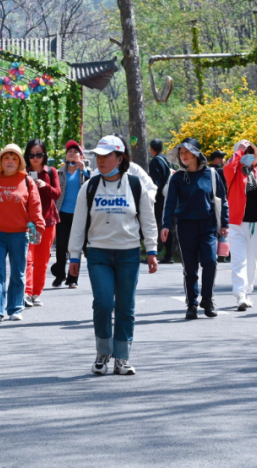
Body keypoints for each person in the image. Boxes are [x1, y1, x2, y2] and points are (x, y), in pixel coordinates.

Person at [68, 135, 159, 375]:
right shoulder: (90, 187)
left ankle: (122, 358)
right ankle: (102, 353)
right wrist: (74, 256)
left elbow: (148, 219)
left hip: (128, 254)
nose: (101, 160)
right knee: (104, 303)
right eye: (98, 155)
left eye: (107, 155)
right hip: (98, 253)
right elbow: (78, 224)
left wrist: (151, 250)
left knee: (126, 307)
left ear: (120, 158)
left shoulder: (135, 184)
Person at [0, 144, 46, 323]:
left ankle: (15, 308)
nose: (10, 161)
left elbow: (35, 207)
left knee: (18, 273)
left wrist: (38, 227)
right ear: (1, 161)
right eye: (7, 158)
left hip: (19, 234)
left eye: (14, 158)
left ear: (19, 163)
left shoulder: (27, 181)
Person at [162, 137, 229, 319]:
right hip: (185, 226)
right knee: (190, 268)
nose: (183, 156)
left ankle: (207, 299)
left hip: (207, 226)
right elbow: (170, 203)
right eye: (181, 153)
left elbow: (222, 200)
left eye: (186, 152)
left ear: (197, 154)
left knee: (210, 262)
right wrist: (166, 224)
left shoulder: (212, 175)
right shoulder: (177, 178)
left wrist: (225, 223)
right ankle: (191, 303)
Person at [223, 140, 257, 311]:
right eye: (244, 152)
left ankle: (247, 291)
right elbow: (228, 167)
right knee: (239, 260)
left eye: (250, 152)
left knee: (252, 261)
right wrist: (239, 150)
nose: (247, 155)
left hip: (256, 223)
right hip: (236, 224)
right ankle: (240, 295)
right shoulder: (233, 171)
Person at [23, 139, 61, 308]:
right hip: (28, 223)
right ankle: (26, 292)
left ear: (44, 155)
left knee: (42, 259)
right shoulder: (23, 173)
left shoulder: (51, 172)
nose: (35, 158)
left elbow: (57, 194)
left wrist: (45, 185)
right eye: (32, 155)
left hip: (48, 221)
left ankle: (36, 293)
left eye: (39, 154)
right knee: (28, 258)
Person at [52, 140, 89, 288]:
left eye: (75, 152)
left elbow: (92, 185)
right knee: (61, 246)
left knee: (76, 246)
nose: (72, 154)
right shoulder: (60, 171)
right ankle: (59, 275)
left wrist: (85, 170)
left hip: (79, 214)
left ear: (81, 156)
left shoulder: (86, 172)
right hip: (62, 213)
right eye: (69, 152)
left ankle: (72, 279)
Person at [147, 138, 176, 264]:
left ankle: (154, 252)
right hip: (171, 196)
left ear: (151, 149)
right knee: (168, 224)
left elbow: (155, 183)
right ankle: (169, 254)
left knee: (155, 224)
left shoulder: (155, 162)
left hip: (159, 198)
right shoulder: (169, 161)